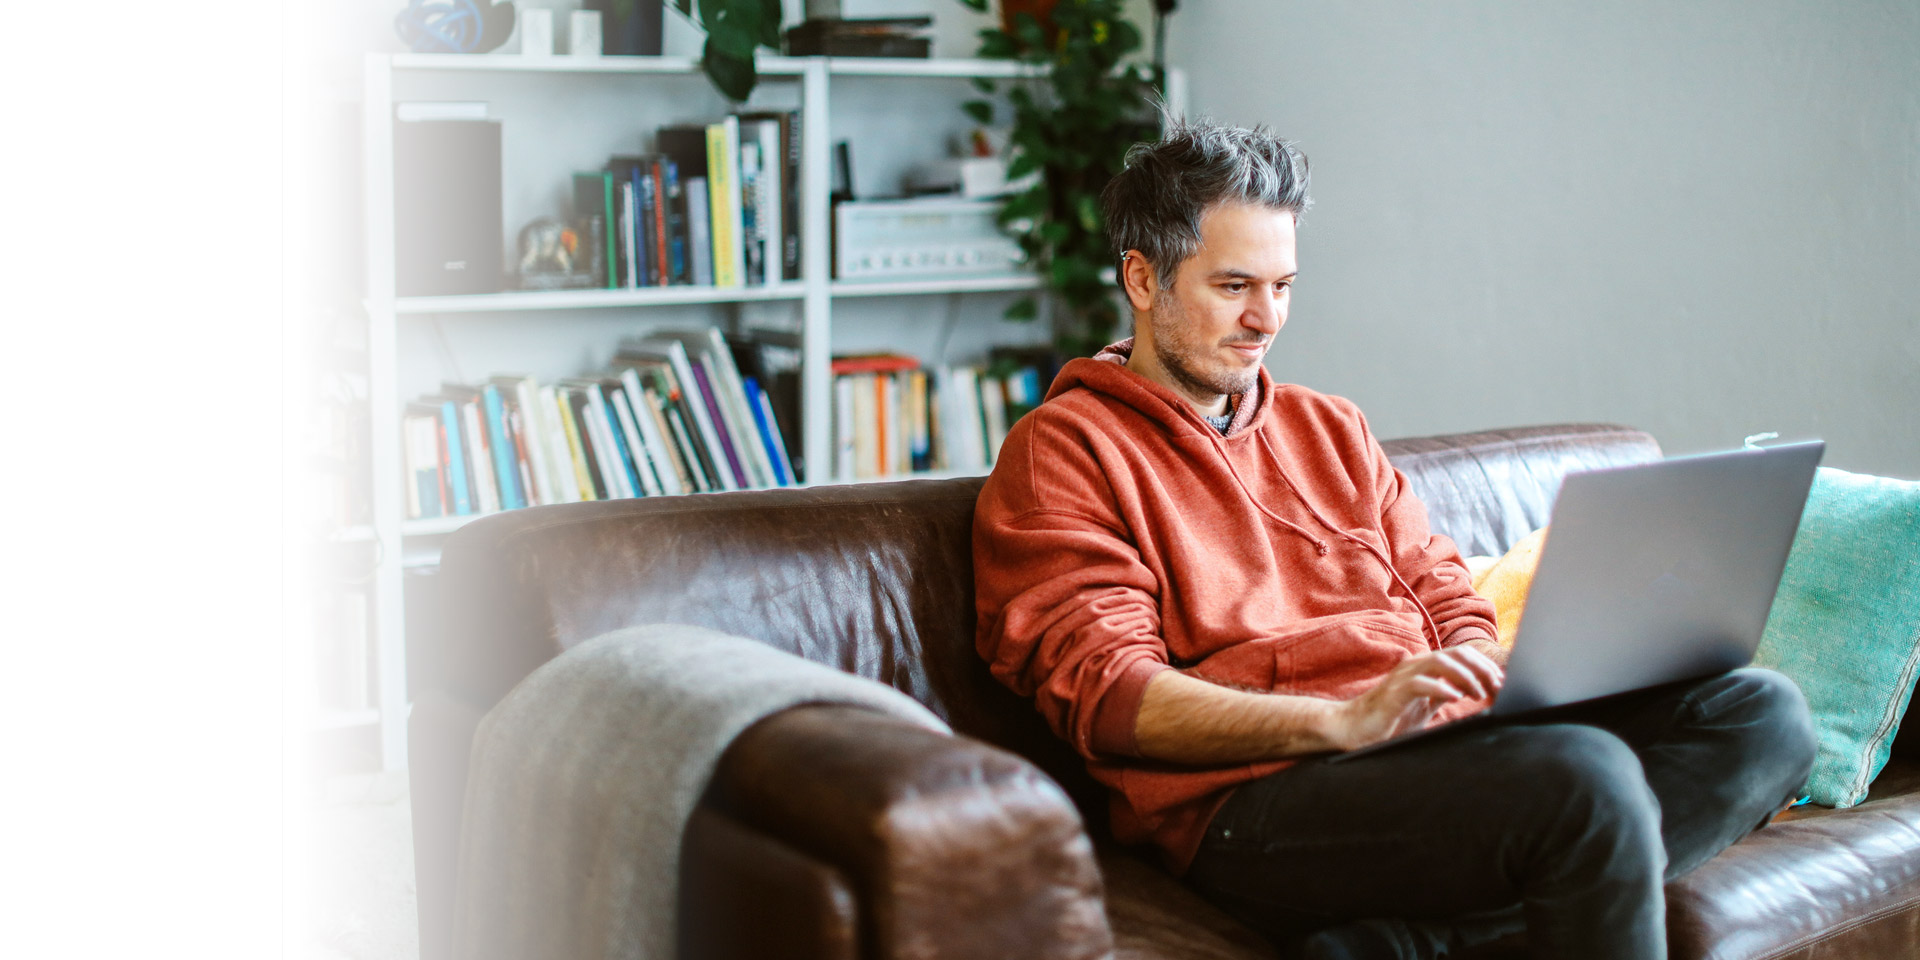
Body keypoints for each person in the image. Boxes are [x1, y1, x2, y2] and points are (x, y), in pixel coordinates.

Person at [970, 120, 1816, 960]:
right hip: (1256, 803)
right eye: (1234, 286)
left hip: (1425, 747)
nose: (1266, 318)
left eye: (1284, 285)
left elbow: (1444, 592)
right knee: (1583, 779)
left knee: (1760, 714)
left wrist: (1489, 685)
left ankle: (1422, 945)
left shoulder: (1330, 426)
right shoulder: (1063, 451)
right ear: (1143, 279)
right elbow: (1113, 697)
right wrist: (1337, 722)